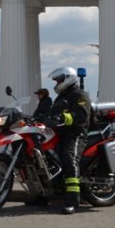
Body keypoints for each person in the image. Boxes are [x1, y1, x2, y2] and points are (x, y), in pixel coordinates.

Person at [45, 67, 91, 214]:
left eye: (59, 80)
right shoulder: (61, 96)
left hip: (75, 134)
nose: (57, 83)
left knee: (69, 158)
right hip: (60, 133)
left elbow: (81, 117)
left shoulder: (80, 95)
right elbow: (53, 114)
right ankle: (41, 195)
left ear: (68, 78)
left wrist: (63, 118)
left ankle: (73, 201)